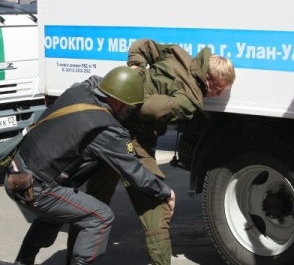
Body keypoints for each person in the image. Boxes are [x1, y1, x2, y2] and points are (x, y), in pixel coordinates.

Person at [67, 39, 236, 265]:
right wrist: (139, 97)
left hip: (108, 127)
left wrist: (136, 69)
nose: (217, 94)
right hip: (132, 139)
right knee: (157, 208)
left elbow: (142, 45)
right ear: (209, 78)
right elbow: (149, 109)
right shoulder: (190, 100)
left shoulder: (178, 54)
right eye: (218, 88)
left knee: (92, 206)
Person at [4, 66, 176, 265]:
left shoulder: (79, 91)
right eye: (128, 105)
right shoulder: (105, 129)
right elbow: (134, 172)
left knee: (54, 214)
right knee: (101, 217)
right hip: (36, 188)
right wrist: (165, 191)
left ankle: (23, 261)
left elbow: (92, 81)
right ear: (118, 101)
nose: (129, 110)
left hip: (16, 174)